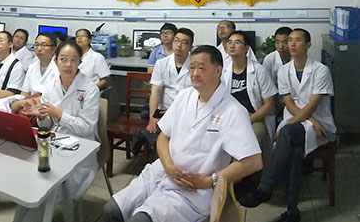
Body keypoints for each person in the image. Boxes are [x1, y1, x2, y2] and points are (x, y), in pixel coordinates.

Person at [103, 45, 262, 222]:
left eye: (201, 68)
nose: (195, 73)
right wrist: (168, 166)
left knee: (141, 219)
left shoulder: (233, 111)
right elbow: (163, 137)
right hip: (162, 172)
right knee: (111, 210)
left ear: (218, 71)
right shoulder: (184, 96)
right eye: (192, 68)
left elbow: (253, 162)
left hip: (193, 190)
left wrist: (210, 181)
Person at [0, 41, 100, 213]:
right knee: (16, 162)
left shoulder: (90, 89)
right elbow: (47, 124)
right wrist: (41, 116)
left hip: (79, 147)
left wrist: (58, 114)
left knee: (43, 192)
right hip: (52, 141)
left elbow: (87, 128)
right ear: (56, 61)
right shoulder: (52, 85)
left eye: (74, 60)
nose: (68, 64)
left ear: (80, 62)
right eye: (63, 59)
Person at [239, 28, 336, 222]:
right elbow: (288, 103)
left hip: (321, 127)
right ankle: (292, 211)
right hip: (302, 122)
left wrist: (291, 124)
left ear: (308, 45)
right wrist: (308, 120)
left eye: (297, 40)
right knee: (294, 150)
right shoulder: (284, 71)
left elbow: (313, 105)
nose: (291, 44)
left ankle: (265, 188)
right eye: (290, 40)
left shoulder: (320, 70)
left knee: (288, 133)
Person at [132, 28, 193, 157]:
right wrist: (152, 117)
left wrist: (175, 111)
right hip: (163, 111)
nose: (179, 45)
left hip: (186, 111)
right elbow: (156, 90)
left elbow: (196, 95)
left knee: (173, 134)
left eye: (184, 42)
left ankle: (146, 137)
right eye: (177, 40)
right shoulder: (161, 64)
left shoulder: (195, 66)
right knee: (162, 134)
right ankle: (158, 155)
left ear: (190, 47)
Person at [221, 30, 277, 166]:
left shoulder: (258, 70)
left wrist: (247, 119)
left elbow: (269, 105)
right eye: (230, 42)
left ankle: (245, 176)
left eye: (237, 42)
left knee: (250, 143)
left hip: (254, 118)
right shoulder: (222, 70)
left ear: (246, 48)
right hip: (229, 117)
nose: (232, 45)